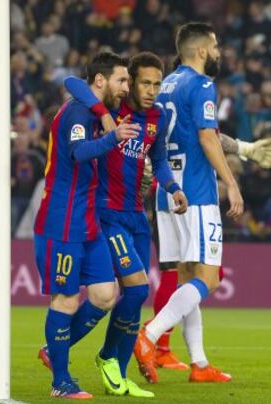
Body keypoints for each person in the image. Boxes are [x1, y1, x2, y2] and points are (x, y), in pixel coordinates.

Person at [57, 52, 187, 396]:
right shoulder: (113, 107)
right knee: (135, 286)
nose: (151, 90)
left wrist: (172, 187)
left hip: (136, 216)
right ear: (129, 81)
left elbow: (157, 160)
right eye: (145, 82)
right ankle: (98, 357)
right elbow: (71, 82)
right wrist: (103, 114)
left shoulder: (156, 117)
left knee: (136, 293)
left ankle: (111, 365)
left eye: (157, 84)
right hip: (106, 213)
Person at [134, 22, 244, 383]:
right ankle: (149, 335)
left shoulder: (165, 85)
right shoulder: (202, 85)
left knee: (187, 278)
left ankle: (198, 364)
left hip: (168, 194)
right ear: (200, 51)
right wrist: (231, 182)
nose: (218, 52)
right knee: (208, 279)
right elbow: (208, 138)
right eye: (215, 46)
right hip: (196, 192)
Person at [34, 51, 142, 399]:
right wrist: (114, 135)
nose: (126, 87)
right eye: (121, 80)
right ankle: (61, 382)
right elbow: (79, 152)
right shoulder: (78, 112)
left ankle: (52, 350)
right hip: (62, 221)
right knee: (65, 299)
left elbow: (72, 82)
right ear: (100, 80)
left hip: (88, 222)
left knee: (104, 294)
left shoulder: (96, 111)